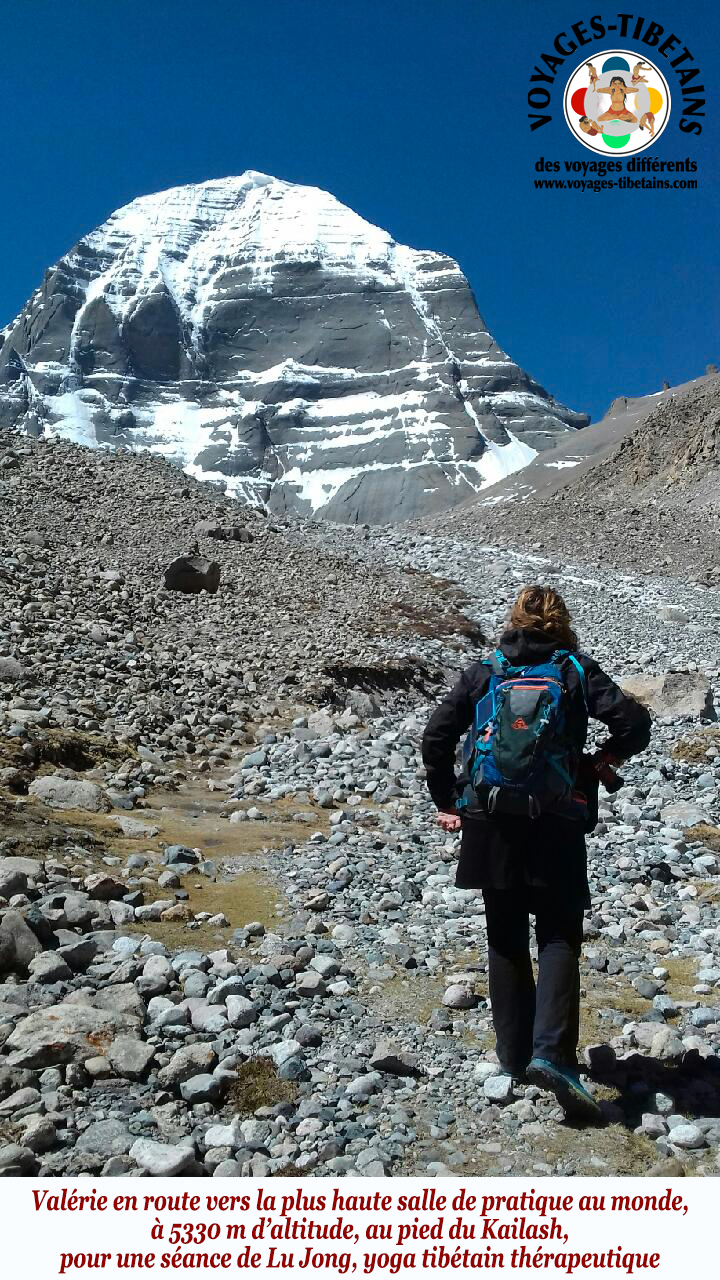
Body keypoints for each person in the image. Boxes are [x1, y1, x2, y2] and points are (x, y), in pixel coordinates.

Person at [421, 586, 651, 1122]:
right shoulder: (573, 668)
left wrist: (449, 800)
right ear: (561, 624)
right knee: (557, 934)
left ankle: (512, 1058)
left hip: (489, 821)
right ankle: (554, 1056)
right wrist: (601, 759)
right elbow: (634, 724)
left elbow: (436, 736)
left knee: (504, 937)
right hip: (556, 820)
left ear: (514, 622)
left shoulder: (486, 670)